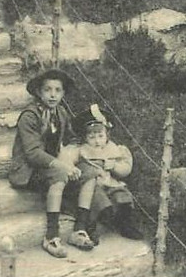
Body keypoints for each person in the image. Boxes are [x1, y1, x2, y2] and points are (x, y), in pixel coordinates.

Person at [9, 69, 97, 257]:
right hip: (29, 170)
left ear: (63, 93)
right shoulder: (29, 116)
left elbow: (72, 139)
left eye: (58, 90)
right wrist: (63, 166)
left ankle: (79, 229)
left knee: (90, 173)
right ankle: (51, 235)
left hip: (53, 166)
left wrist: (70, 157)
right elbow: (33, 154)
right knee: (60, 175)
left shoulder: (61, 113)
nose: (52, 95)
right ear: (39, 93)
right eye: (47, 90)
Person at [61, 104, 142, 243]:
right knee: (98, 201)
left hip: (110, 183)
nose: (97, 141)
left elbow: (125, 168)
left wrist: (115, 166)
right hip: (93, 185)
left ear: (107, 135)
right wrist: (71, 167)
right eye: (92, 137)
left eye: (100, 136)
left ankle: (125, 224)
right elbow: (65, 159)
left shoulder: (113, 149)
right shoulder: (81, 150)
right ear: (85, 137)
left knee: (122, 196)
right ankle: (90, 227)